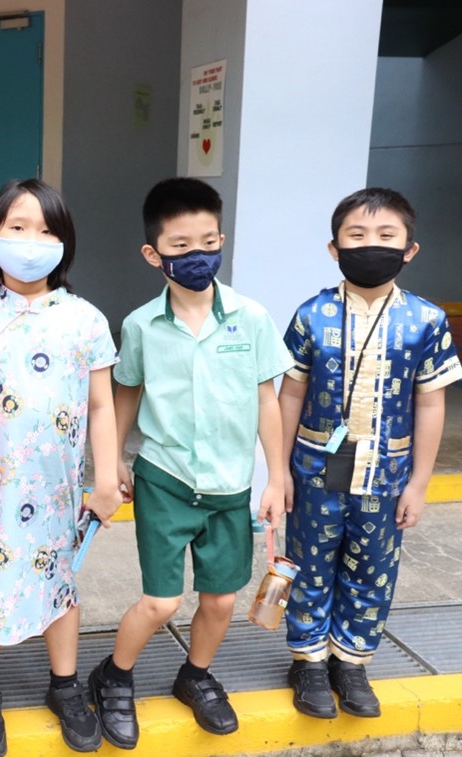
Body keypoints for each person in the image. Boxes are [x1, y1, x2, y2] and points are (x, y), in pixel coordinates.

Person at [89, 177, 292, 749]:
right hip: (165, 478)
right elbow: (124, 393)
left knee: (222, 598)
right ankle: (114, 676)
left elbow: (266, 399)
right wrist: (115, 462)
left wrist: (275, 476)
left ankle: (195, 676)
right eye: (181, 246)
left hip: (230, 485)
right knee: (161, 601)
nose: (197, 255)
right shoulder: (138, 325)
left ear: (222, 240)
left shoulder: (250, 317)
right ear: (154, 255)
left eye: (207, 242)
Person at [0, 179, 122, 756]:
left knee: (60, 584)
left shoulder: (87, 320)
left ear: (64, 244)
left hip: (57, 491)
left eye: (46, 230)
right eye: (17, 227)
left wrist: (107, 478)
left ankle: (65, 687)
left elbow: (101, 406)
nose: (31, 240)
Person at [280, 188, 461, 719]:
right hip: (314, 471)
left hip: (387, 475)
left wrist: (420, 483)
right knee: (310, 564)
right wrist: (279, 472)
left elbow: (431, 404)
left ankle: (351, 661)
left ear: (410, 249)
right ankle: (308, 661)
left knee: (374, 567)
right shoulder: (311, 315)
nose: (370, 245)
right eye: (356, 236)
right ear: (334, 248)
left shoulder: (426, 322)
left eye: (386, 236)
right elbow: (290, 393)